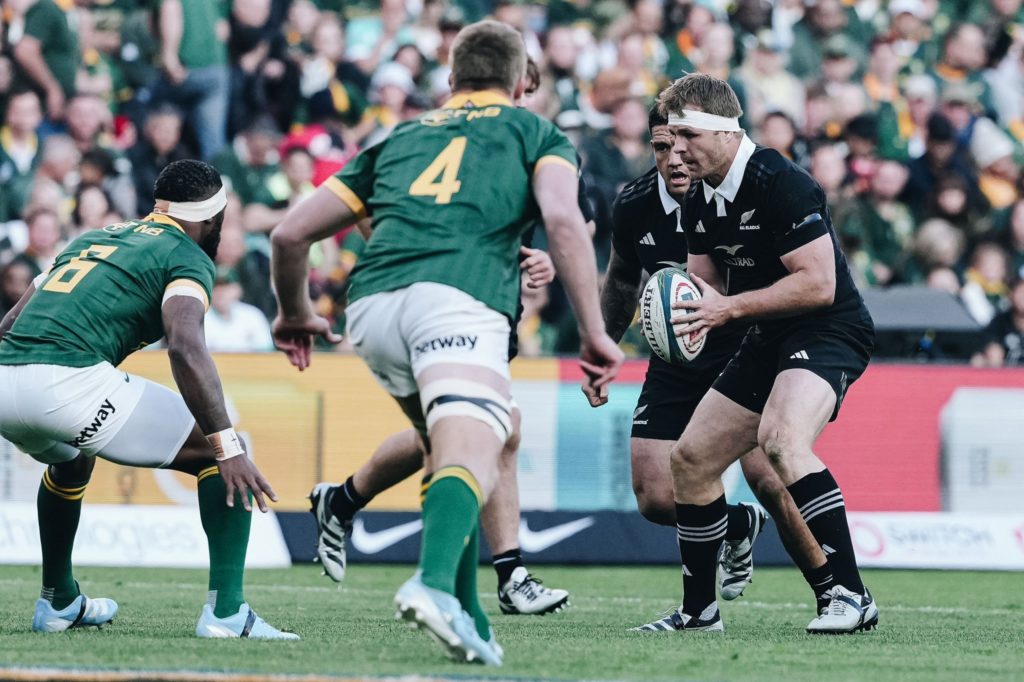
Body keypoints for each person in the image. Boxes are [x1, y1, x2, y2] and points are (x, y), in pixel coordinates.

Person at [270, 20, 623, 666]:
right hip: (456, 302)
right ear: (521, 84)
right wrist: (595, 332)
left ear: (452, 81)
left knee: (450, 444)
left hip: (372, 309)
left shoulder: (397, 137)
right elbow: (566, 221)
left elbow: (290, 235)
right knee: (477, 444)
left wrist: (294, 313)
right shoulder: (536, 132)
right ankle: (433, 584)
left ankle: (469, 610)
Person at [305, 56, 582, 619]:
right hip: (445, 308)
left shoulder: (510, 139)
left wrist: (525, 260)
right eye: (519, 86)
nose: (521, 98)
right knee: (490, 426)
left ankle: (344, 500)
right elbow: (371, 215)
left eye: (529, 89)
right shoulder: (450, 136)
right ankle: (502, 578)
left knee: (450, 433)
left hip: (479, 304)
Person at [0, 160, 296, 640]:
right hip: (64, 381)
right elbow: (184, 344)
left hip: (5, 380)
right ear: (210, 218)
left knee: (71, 460)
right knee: (218, 451)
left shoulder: (93, 238)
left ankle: (58, 600)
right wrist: (225, 444)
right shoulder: (187, 255)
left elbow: (11, 324)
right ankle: (226, 613)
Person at [585, 104, 831, 630]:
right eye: (660, 147)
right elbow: (623, 281)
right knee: (654, 496)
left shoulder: (736, 194)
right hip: (676, 356)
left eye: (681, 144)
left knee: (770, 475)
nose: (674, 158)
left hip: (741, 344)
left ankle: (831, 590)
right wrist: (604, 347)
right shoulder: (631, 204)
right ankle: (736, 525)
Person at [660, 73, 877, 634]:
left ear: (724, 131)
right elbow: (703, 288)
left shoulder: (781, 181)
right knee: (690, 460)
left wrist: (726, 310)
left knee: (781, 440)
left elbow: (818, 284)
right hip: (767, 334)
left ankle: (852, 596)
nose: (676, 149)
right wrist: (672, 310)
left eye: (685, 134)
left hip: (829, 328)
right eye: (671, 136)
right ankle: (699, 613)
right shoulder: (698, 199)